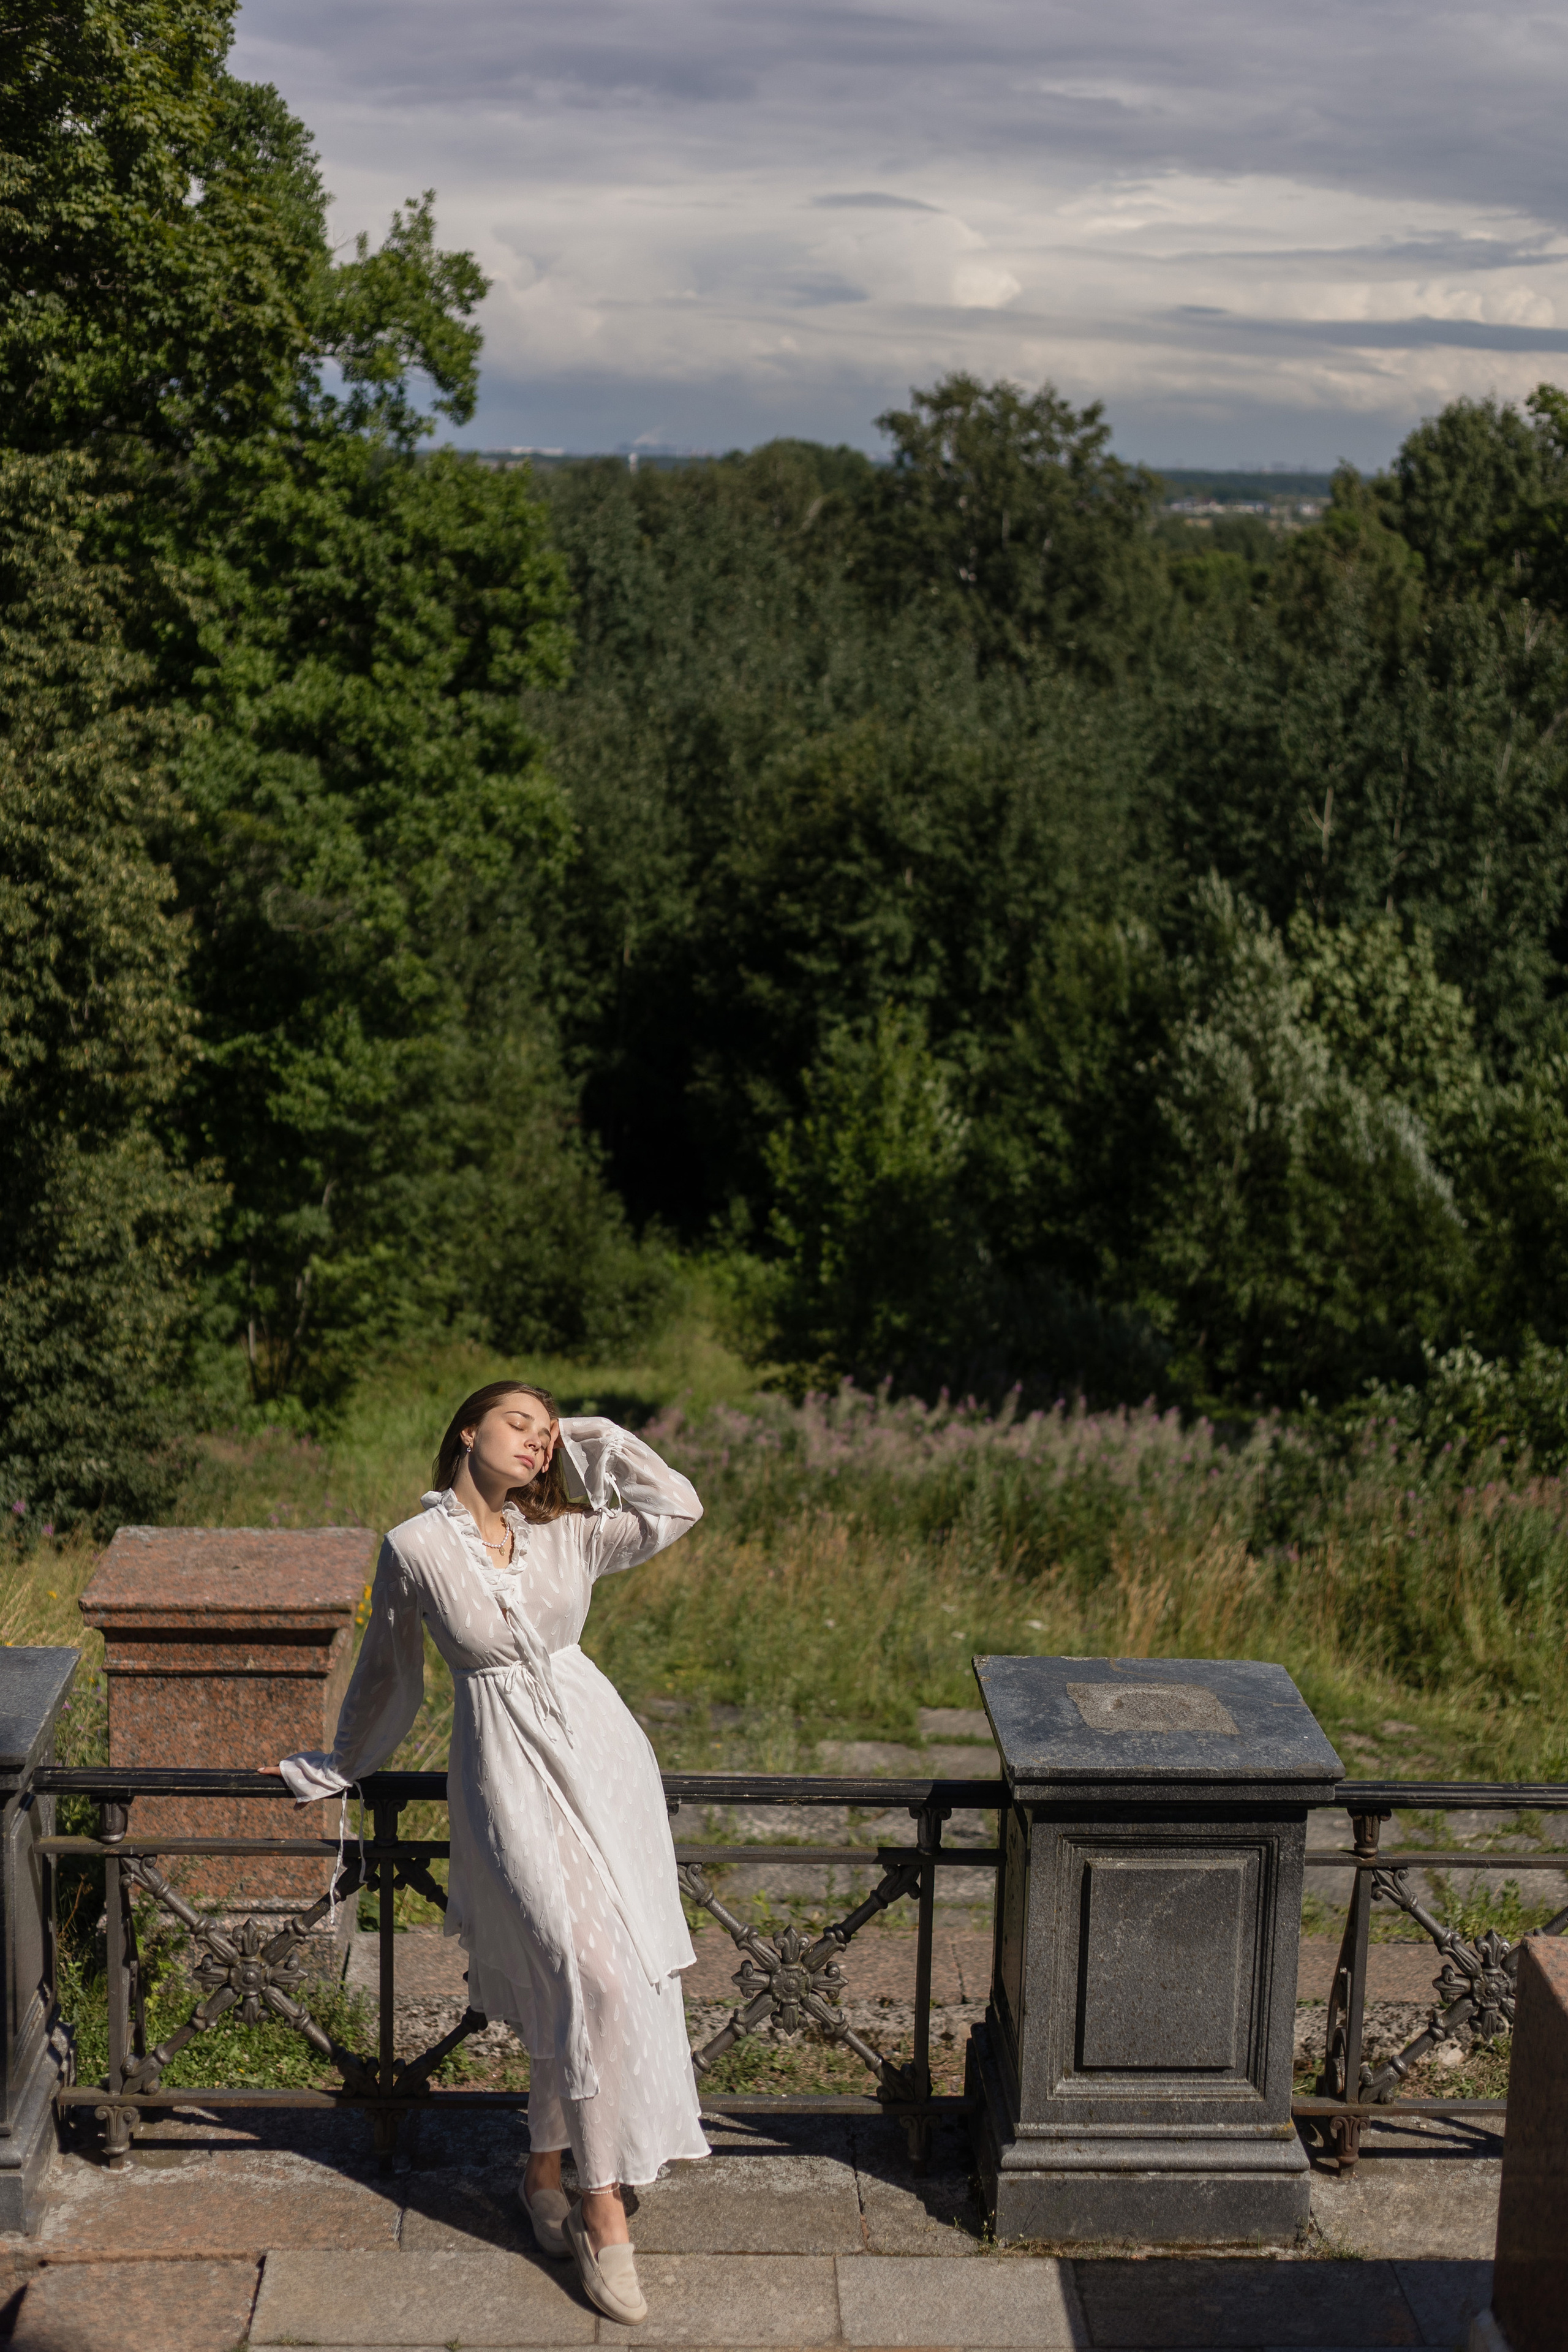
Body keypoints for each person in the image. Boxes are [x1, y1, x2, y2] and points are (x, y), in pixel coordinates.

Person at [268, 1382, 709, 2326]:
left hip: (606, 1768)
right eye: (522, 1424)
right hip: (505, 1773)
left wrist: (592, 1437)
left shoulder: (569, 1536)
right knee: (585, 1969)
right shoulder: (415, 1548)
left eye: (550, 1436)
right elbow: (391, 1673)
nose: (538, 1444)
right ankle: (603, 2210)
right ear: (466, 1430)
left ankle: (547, 2171)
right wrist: (343, 1764)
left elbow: (678, 1506)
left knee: (601, 1974)